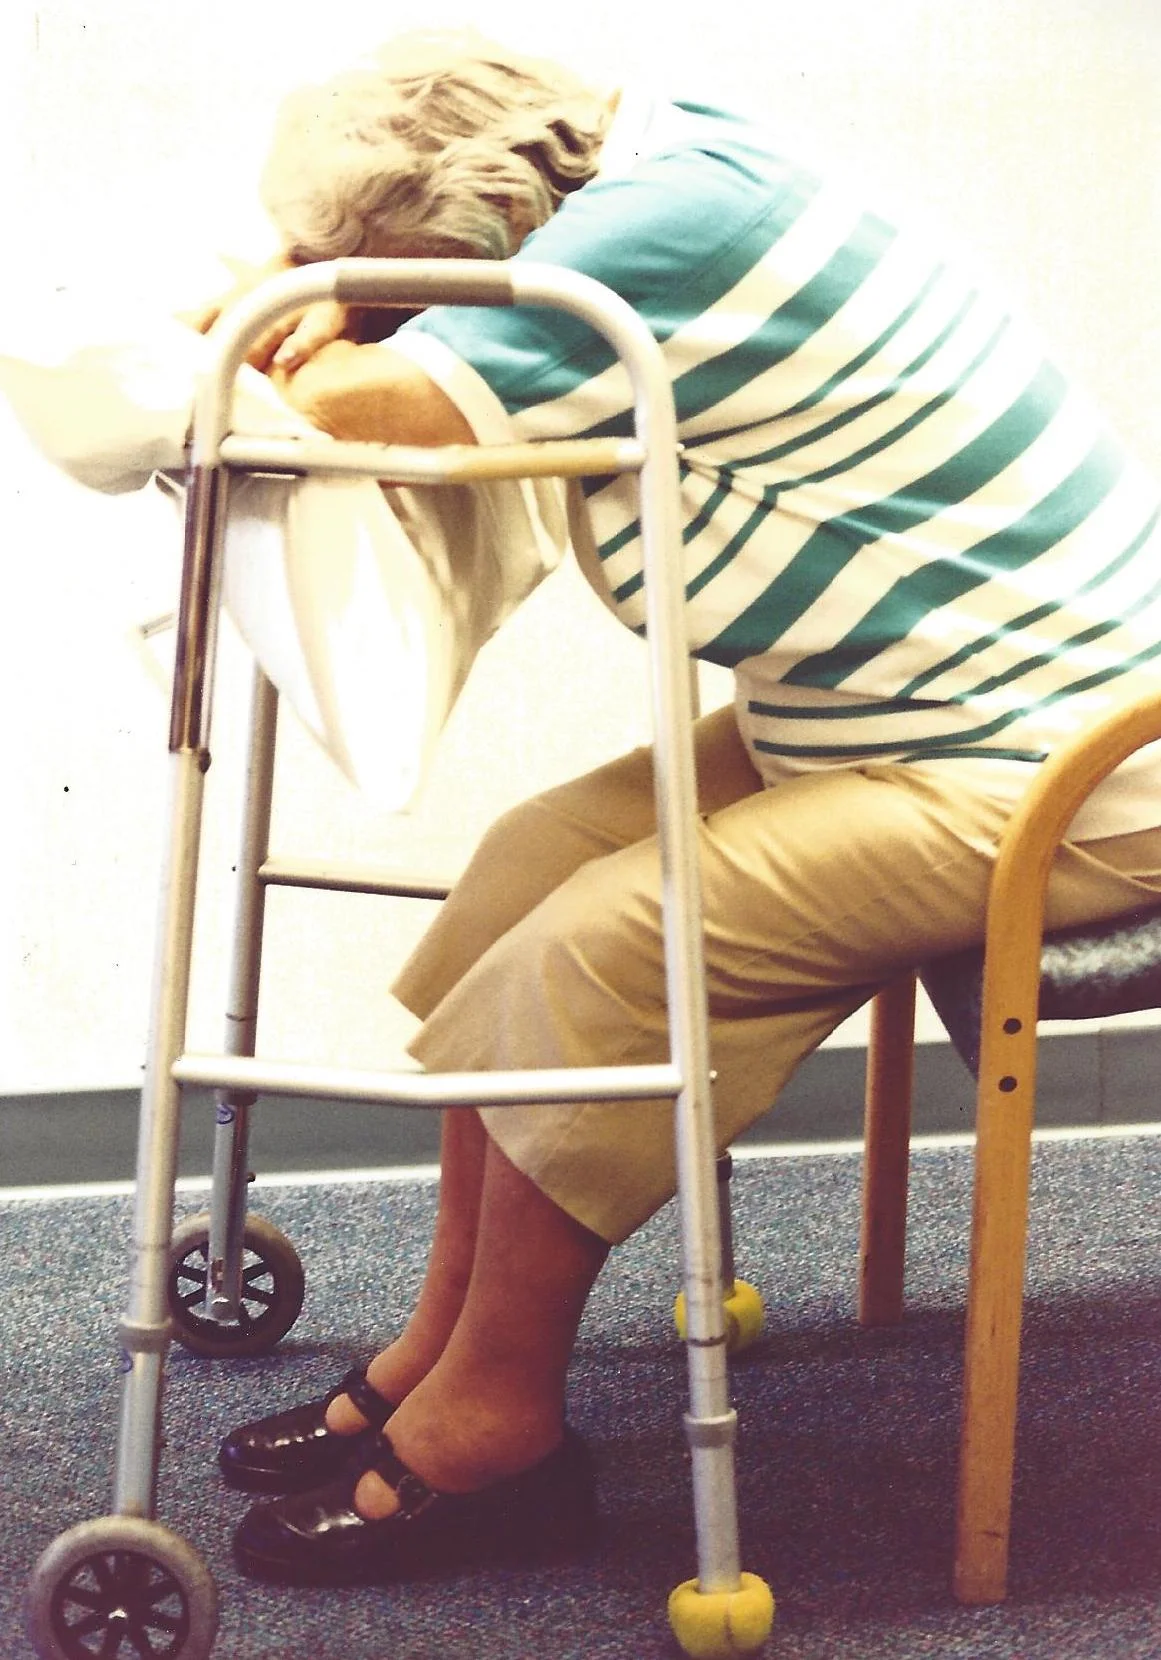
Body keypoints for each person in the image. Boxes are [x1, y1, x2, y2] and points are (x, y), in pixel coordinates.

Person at [210, 29, 1161, 1587]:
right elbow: (364, 349)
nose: (335, 281)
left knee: (607, 948)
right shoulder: (664, 158)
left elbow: (376, 405)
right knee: (531, 871)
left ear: (463, 229)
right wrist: (325, 282)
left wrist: (302, 315)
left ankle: (495, 1426)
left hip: (1084, 760)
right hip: (914, 710)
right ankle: (438, 1349)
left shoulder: (662, 230)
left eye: (366, 257)